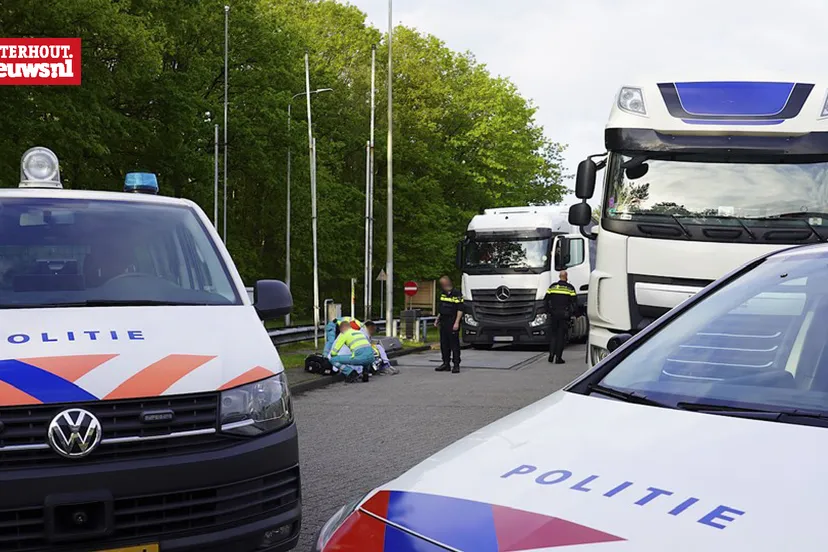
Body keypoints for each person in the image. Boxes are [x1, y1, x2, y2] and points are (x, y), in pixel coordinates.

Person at [545, 270, 577, 364]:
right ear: (566, 276)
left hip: (554, 314)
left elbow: (546, 300)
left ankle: (551, 355)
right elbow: (574, 303)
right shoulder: (570, 288)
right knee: (561, 337)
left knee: (554, 335)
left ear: (559, 276)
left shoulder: (552, 287)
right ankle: (558, 358)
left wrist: (549, 311)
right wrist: (572, 314)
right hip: (564, 315)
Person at [434, 275, 463, 373]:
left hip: (452, 320)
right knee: (444, 344)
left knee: (454, 344)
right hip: (443, 320)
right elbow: (441, 308)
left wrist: (457, 322)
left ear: (448, 283)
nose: (443, 285)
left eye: (444, 283)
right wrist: (437, 319)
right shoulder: (443, 293)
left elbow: (460, 309)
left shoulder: (457, 293)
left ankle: (456, 364)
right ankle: (446, 363)